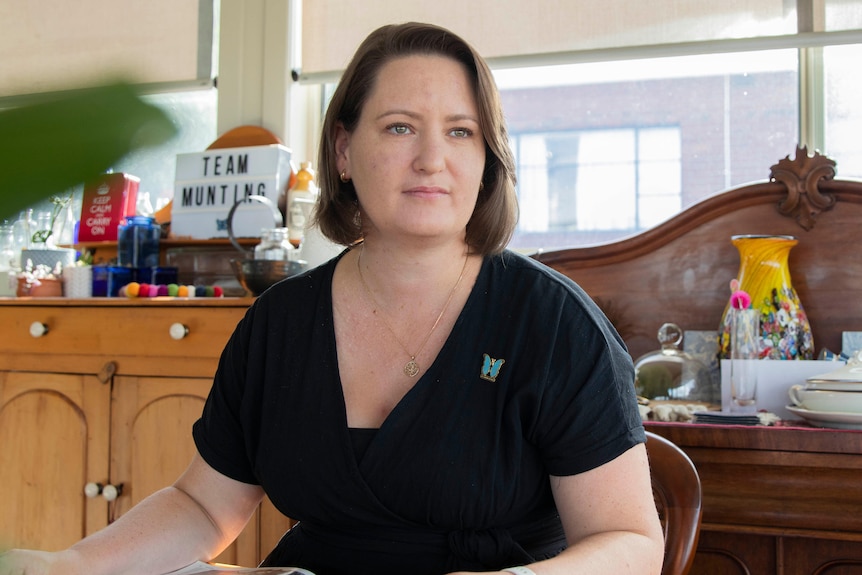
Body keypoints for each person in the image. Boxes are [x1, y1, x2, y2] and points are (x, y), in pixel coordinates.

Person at [0, 22, 664, 575]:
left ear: (488, 156)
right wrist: (68, 566)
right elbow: (204, 508)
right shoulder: (279, 323)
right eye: (401, 127)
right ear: (344, 150)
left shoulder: (552, 325)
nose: (434, 157)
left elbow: (632, 541)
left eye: (461, 131)